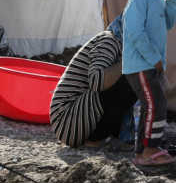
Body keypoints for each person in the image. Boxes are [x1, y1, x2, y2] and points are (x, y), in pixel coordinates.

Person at [122, 0, 176, 167]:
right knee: (155, 104)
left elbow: (168, 23)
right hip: (140, 65)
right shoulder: (138, 0)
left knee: (154, 104)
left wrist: (171, 0)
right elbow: (136, 34)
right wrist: (153, 58)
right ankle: (148, 150)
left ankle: (145, 149)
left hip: (150, 63)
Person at [49, 15, 136, 148]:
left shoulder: (118, 43)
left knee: (135, 76)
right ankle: (95, 139)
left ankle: (106, 136)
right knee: (129, 83)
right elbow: (97, 81)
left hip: (76, 115)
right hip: (67, 120)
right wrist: (127, 60)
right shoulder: (110, 41)